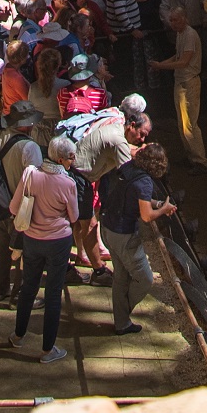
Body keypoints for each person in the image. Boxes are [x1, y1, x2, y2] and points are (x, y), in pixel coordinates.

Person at [9, 133, 81, 365]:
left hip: (31, 238)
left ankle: (18, 335)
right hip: (58, 242)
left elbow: (13, 207)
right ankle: (48, 349)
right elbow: (74, 216)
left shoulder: (30, 174)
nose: (73, 161)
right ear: (61, 159)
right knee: (53, 294)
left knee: (28, 287)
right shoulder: (68, 183)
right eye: (71, 157)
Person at [100, 138, 176, 335]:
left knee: (121, 276)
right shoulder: (145, 181)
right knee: (144, 279)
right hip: (123, 234)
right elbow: (146, 215)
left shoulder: (129, 168)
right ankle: (123, 314)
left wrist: (158, 204)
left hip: (107, 227)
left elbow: (139, 198)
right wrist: (163, 209)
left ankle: (121, 323)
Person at [69, 103, 145, 286]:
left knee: (77, 223)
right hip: (78, 177)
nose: (142, 139)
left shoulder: (117, 125)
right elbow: (129, 173)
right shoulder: (118, 139)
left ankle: (79, 266)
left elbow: (129, 153)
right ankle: (98, 271)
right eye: (141, 134)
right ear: (131, 125)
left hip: (79, 176)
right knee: (87, 225)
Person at [0, 110, 44, 300]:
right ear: (27, 124)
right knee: (24, 252)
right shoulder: (30, 147)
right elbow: (36, 179)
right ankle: (20, 295)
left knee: (1, 249)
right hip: (22, 207)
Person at [149, 6, 207, 170]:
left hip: (189, 82)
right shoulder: (181, 34)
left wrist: (161, 66)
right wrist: (160, 65)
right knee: (182, 123)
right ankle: (191, 157)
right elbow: (178, 56)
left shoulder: (189, 35)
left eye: (175, 20)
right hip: (181, 82)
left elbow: (184, 62)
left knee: (190, 124)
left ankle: (200, 161)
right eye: (171, 20)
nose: (172, 23)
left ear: (184, 18)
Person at [101, 0, 145, 93]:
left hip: (125, 31)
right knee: (125, 66)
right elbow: (120, 11)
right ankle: (126, 91)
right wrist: (132, 29)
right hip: (123, 33)